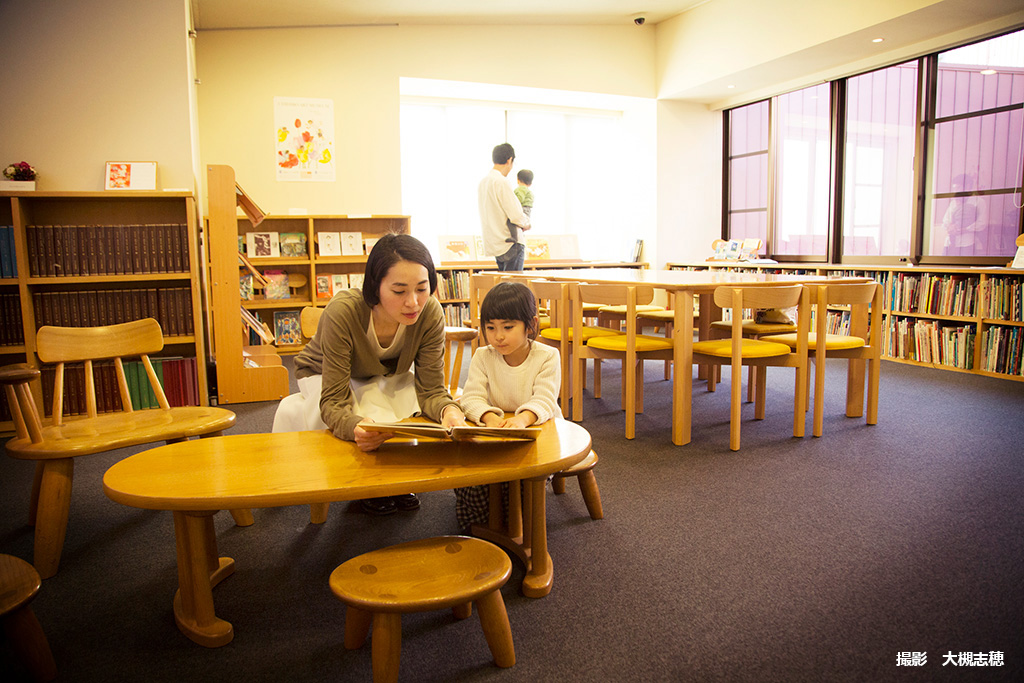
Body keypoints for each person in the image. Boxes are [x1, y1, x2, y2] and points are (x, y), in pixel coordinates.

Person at [272, 234, 467, 516]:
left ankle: (390, 480)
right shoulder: (344, 311)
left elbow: (432, 390)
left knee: (403, 404)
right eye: (399, 291)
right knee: (368, 409)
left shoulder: (430, 313)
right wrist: (354, 426)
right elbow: (335, 402)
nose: (413, 302)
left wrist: (450, 411)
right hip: (321, 373)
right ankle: (366, 484)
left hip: (383, 375)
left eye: (422, 289)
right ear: (375, 286)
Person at [455, 281, 561, 531]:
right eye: (490, 327)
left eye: (508, 327)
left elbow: (545, 399)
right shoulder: (483, 355)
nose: (498, 336)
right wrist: (489, 418)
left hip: (535, 434)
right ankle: (480, 528)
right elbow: (471, 398)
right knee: (475, 479)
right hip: (496, 434)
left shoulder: (547, 356)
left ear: (531, 325)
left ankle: (519, 527)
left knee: (525, 485)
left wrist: (523, 418)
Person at [479, 143, 531, 271]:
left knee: (504, 286)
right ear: (509, 160)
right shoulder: (501, 182)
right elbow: (515, 215)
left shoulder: (483, 182)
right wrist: (527, 223)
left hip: (495, 244)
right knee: (514, 287)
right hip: (511, 244)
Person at [942, 173, 987, 256]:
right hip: (950, 243)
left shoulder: (978, 201)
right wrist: (950, 227)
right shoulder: (953, 203)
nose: (955, 191)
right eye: (954, 188)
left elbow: (982, 223)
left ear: (967, 186)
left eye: (958, 188)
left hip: (968, 243)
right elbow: (945, 221)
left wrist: (964, 229)